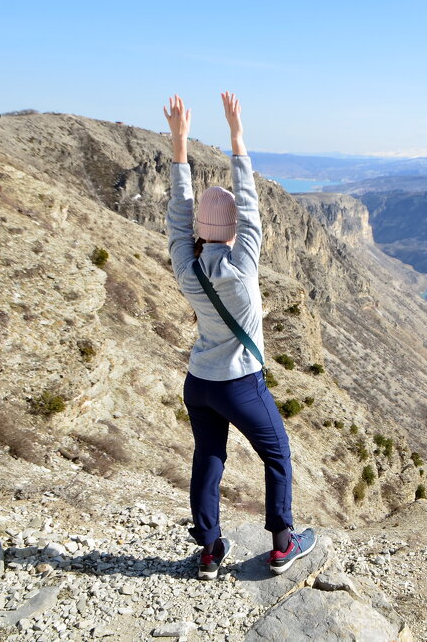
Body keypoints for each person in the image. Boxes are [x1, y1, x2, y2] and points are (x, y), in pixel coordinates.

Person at [163, 92, 315, 580]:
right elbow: (250, 204)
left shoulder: (187, 268)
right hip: (241, 384)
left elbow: (177, 215)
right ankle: (282, 544)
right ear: (232, 230)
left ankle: (208, 550)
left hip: (198, 382)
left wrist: (179, 144)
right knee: (277, 456)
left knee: (208, 458)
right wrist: (236, 136)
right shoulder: (243, 265)